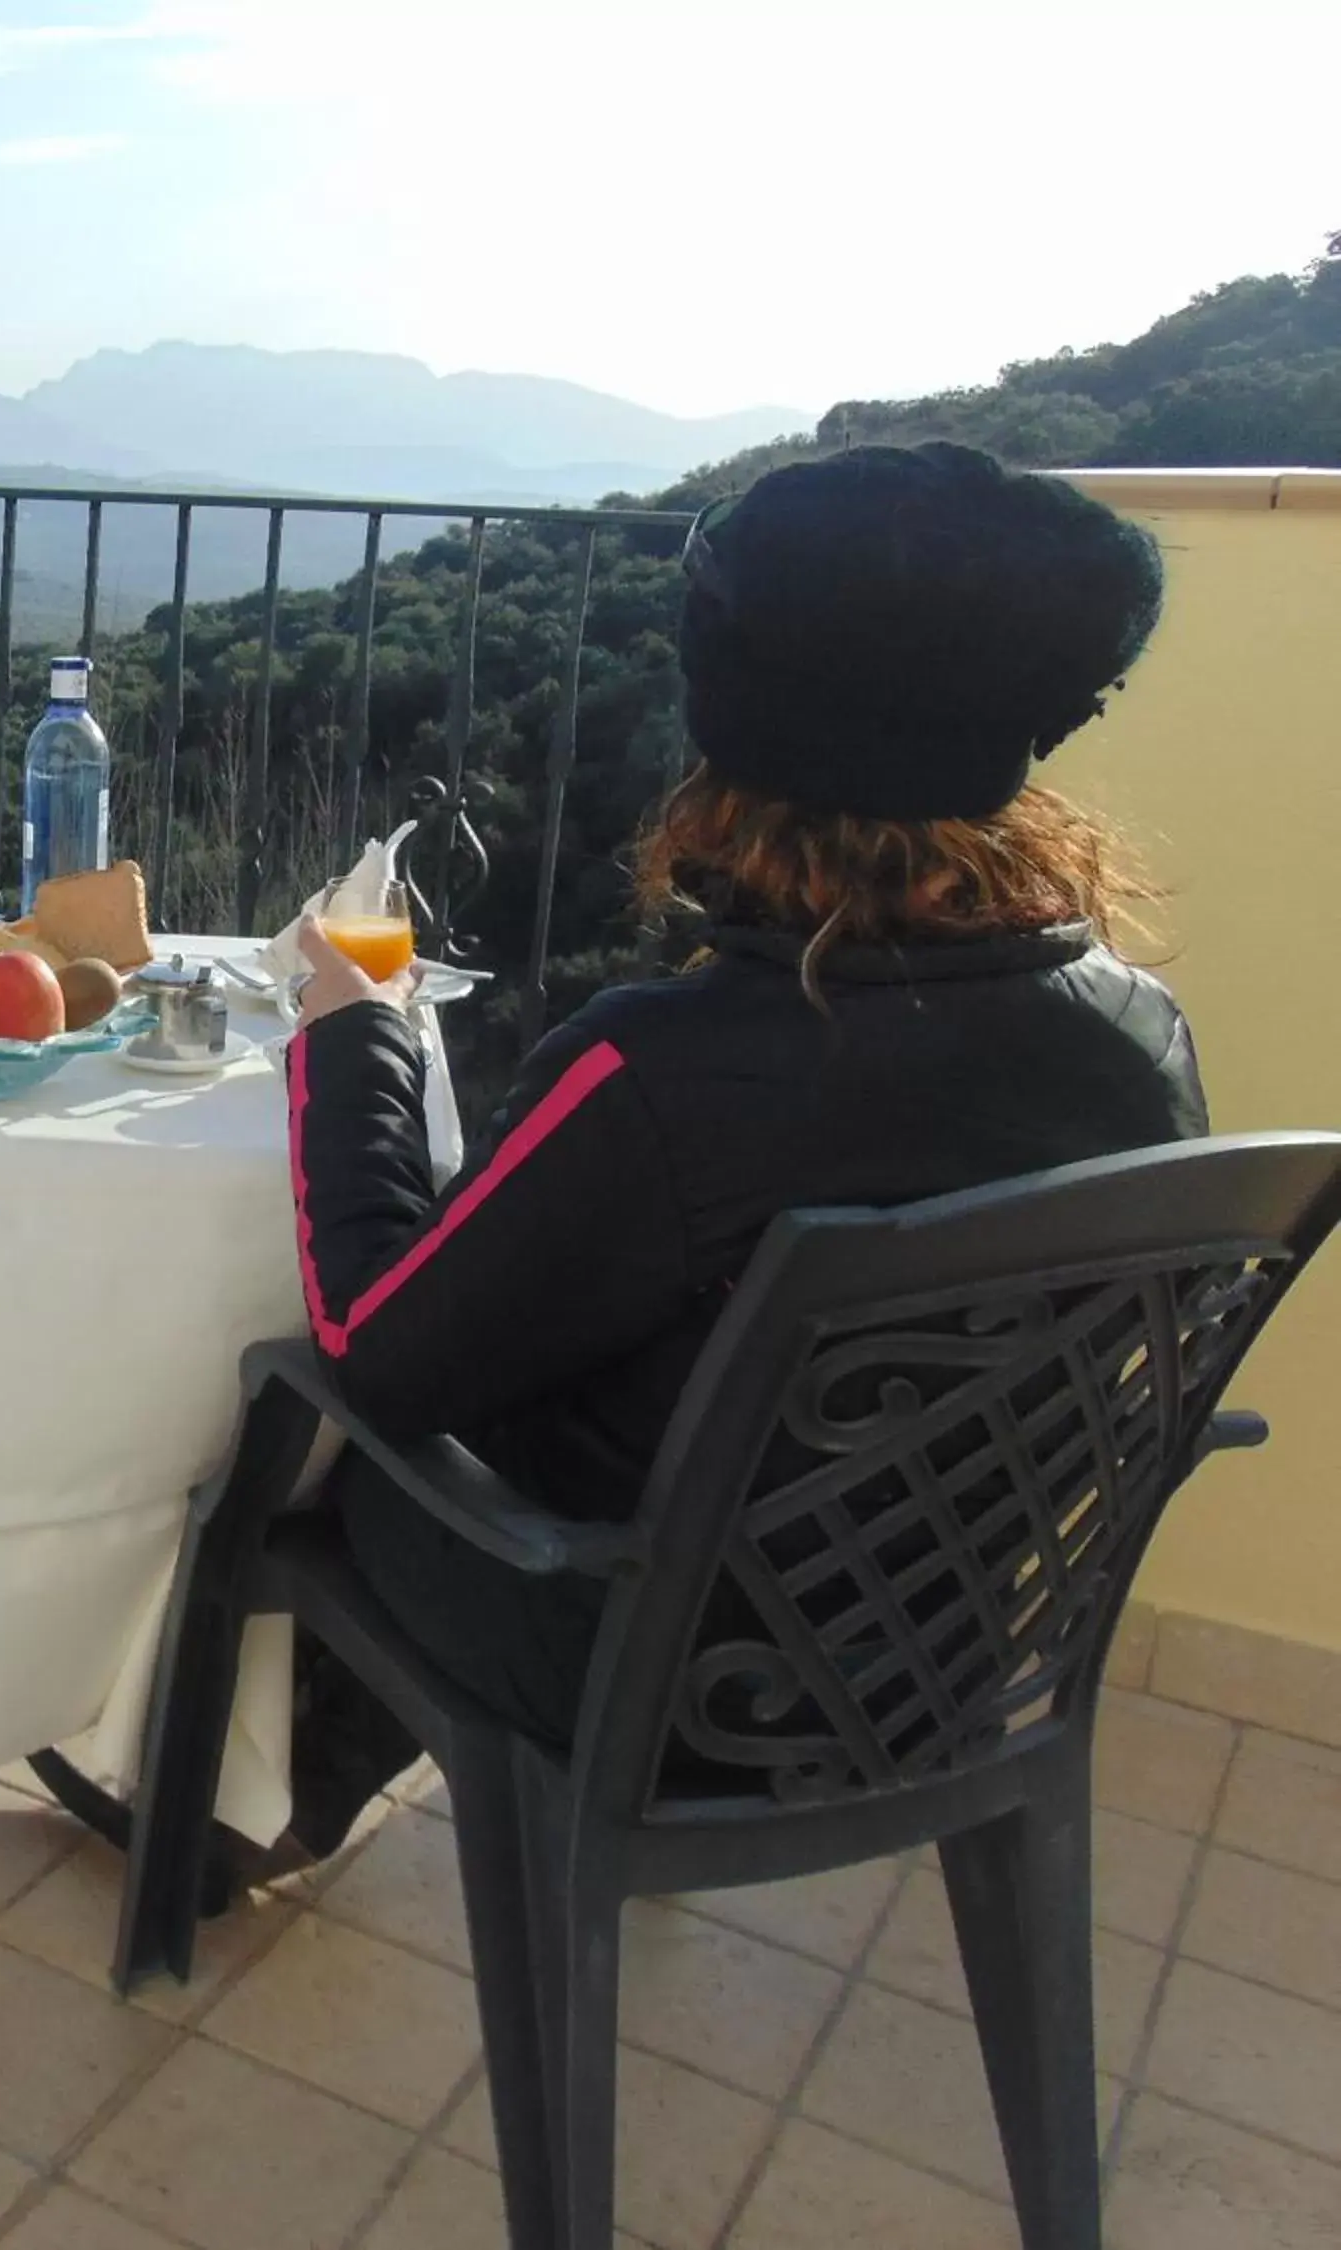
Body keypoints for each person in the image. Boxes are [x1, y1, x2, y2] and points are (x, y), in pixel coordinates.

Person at [271, 441, 1205, 1858]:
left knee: (305, 1439)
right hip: (944, 1662)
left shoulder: (671, 1067)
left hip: (661, 1682)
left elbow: (375, 1346)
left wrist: (357, 1036)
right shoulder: (1140, 1038)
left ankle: (244, 1805)